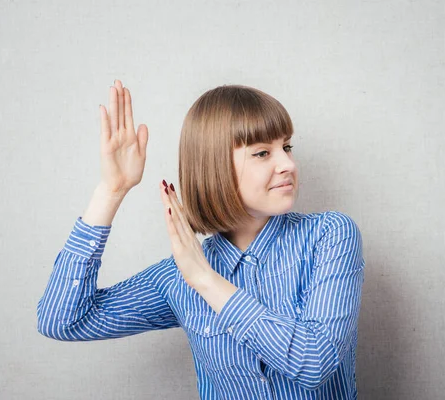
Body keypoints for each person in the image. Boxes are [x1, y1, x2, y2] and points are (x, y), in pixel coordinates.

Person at [37, 79, 366, 399]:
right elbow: (61, 320)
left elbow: (316, 363)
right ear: (215, 167)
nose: (288, 164)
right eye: (263, 153)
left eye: (287, 147)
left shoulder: (329, 236)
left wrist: (207, 281)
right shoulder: (178, 277)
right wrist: (110, 192)